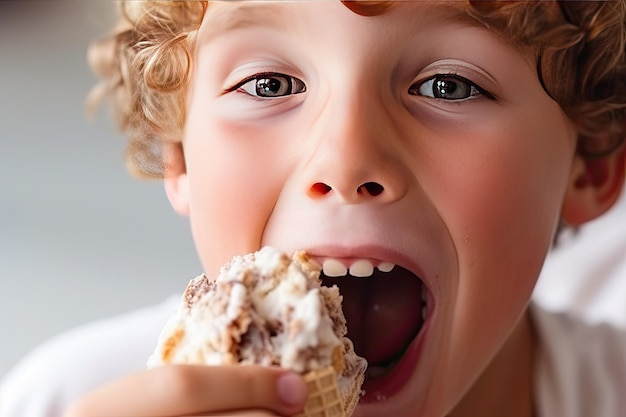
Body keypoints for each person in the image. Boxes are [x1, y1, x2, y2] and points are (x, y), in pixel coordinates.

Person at [2, 1, 625, 416]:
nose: (345, 161)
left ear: (591, 166)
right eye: (269, 85)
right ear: (180, 158)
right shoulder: (64, 398)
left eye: (449, 86)